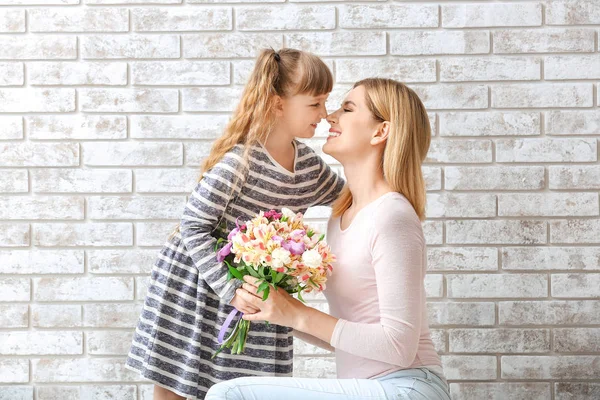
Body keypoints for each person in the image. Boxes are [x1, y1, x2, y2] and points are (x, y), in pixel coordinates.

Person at [205, 78, 451, 400]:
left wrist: (296, 313)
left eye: (347, 109)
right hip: (371, 387)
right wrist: (279, 312)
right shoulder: (342, 215)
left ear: (381, 131)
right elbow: (350, 335)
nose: (330, 117)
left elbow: (398, 346)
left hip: (409, 386)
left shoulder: (392, 216)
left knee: (230, 394)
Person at [125, 48, 345, 400]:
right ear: (278, 104)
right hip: (198, 283)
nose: (325, 114)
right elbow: (193, 225)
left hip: (255, 292)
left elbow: (349, 198)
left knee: (250, 386)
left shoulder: (309, 167)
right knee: (176, 386)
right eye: (315, 104)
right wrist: (230, 290)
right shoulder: (239, 163)